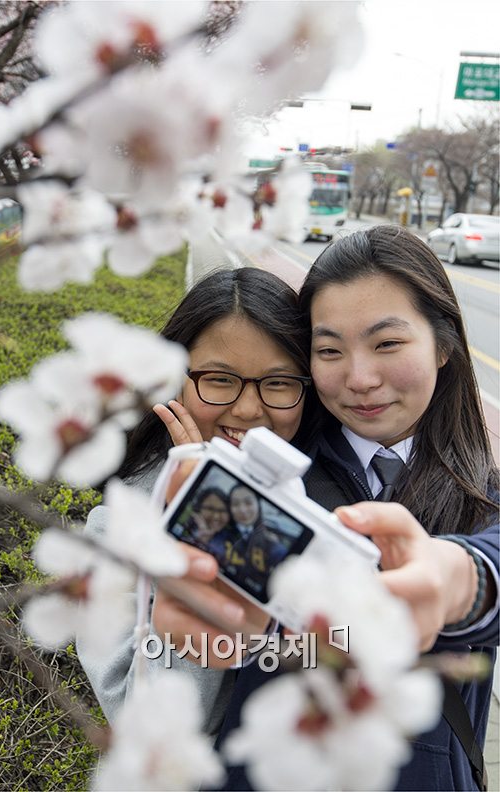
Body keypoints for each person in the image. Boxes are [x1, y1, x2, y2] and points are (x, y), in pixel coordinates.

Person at [213, 225, 499, 791]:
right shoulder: (270, 481)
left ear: (443, 345)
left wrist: (461, 581)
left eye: (387, 344)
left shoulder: (483, 494)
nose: (359, 379)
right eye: (329, 351)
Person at [77, 266, 319, 734]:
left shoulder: (329, 501)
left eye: (279, 382)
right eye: (220, 379)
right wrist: (212, 518)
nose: (249, 409)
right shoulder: (118, 530)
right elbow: (149, 727)